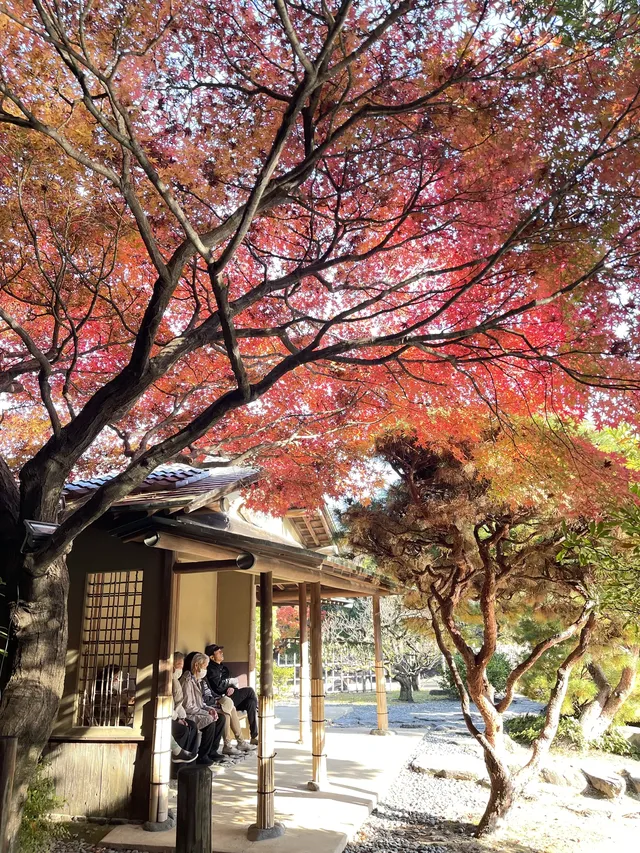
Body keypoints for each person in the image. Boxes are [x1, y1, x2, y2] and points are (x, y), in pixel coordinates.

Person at [180, 652, 230, 765]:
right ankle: (202, 755)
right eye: (205, 666)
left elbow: (201, 703)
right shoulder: (187, 681)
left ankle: (212, 751)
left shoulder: (198, 681)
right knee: (210, 721)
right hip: (189, 714)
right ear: (197, 665)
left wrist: (209, 709)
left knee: (221, 718)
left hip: (197, 711)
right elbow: (188, 706)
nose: (206, 669)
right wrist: (205, 713)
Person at [205, 644, 259, 745]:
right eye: (219, 652)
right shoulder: (211, 670)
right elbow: (219, 687)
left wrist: (232, 687)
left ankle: (254, 736)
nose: (222, 653)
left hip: (232, 696)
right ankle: (258, 709)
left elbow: (232, 683)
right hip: (222, 699)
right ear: (212, 657)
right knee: (250, 691)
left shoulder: (223, 668)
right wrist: (231, 683)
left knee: (251, 702)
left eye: (221, 651)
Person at [171, 652, 198, 764]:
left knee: (192, 725)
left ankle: (191, 760)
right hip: (170, 716)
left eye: (182, 665)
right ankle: (177, 765)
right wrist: (178, 719)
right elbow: (170, 705)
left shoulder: (176, 679)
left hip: (177, 714)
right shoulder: (169, 680)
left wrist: (181, 717)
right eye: (178, 664)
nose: (180, 668)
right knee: (183, 730)